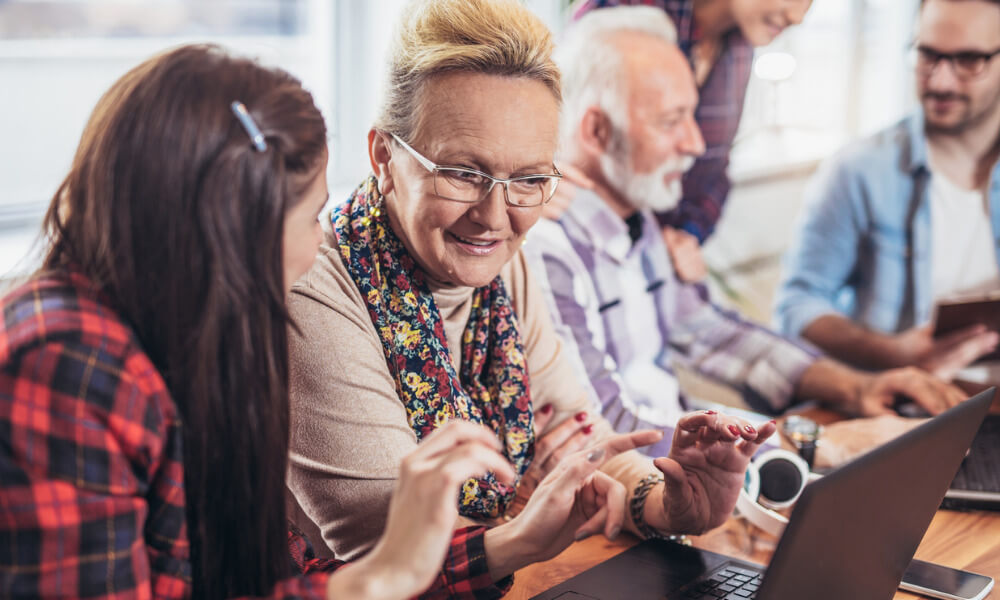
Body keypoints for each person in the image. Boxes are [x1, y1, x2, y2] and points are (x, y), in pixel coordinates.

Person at [0, 44, 660, 600]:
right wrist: (392, 569)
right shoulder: (65, 362)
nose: (322, 243)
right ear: (233, 229)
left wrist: (506, 545)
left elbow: (271, 581)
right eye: (312, 216)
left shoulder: (196, 345)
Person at [286, 0, 776, 561]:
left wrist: (669, 503)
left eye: (528, 179)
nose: (495, 217)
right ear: (383, 155)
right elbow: (384, 552)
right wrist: (522, 535)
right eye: (463, 174)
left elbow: (576, 435)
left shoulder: (503, 265)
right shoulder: (315, 297)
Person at [522, 6, 967, 457]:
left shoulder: (643, 225)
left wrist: (857, 387)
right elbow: (608, 434)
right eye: (671, 120)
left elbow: (715, 334)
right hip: (638, 493)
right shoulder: (546, 251)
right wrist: (811, 448)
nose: (696, 144)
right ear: (596, 131)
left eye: (693, 116)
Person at [775, 0, 1000, 381]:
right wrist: (893, 354)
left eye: (968, 60)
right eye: (927, 54)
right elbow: (796, 307)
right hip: (901, 407)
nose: (941, 81)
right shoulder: (859, 170)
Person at [569, 0, 812, 283]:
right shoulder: (622, 12)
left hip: (664, 268)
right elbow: (558, 135)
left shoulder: (741, 47)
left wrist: (688, 235)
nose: (798, 17)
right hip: (593, 258)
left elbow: (717, 166)